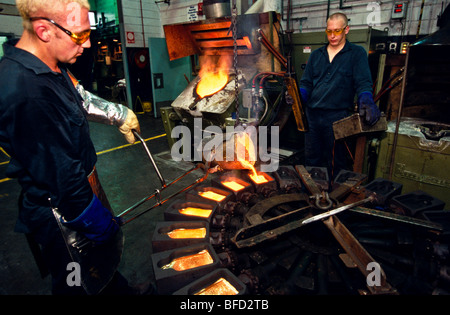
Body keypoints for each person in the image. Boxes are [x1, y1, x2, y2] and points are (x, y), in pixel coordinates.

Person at [0, 0, 142, 294]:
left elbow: (79, 99)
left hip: (84, 189)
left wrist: (119, 114)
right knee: (77, 281)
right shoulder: (26, 91)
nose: (88, 44)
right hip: (65, 213)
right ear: (44, 30)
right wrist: (99, 224)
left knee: (101, 266)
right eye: (80, 35)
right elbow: (63, 179)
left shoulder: (50, 66)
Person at [299, 12, 380, 180]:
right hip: (312, 116)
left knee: (336, 161)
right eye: (329, 31)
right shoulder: (316, 55)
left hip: (337, 117)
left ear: (346, 29)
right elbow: (306, 83)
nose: (333, 35)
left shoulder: (356, 54)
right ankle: (313, 195)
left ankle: (334, 199)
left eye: (337, 30)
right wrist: (299, 96)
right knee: (312, 159)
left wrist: (366, 99)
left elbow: (363, 81)